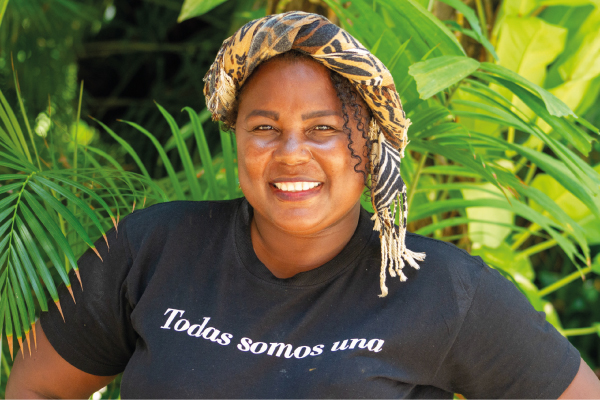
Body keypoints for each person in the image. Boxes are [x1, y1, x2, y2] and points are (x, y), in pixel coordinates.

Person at [7, 11, 600, 399]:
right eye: (265, 128)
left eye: (323, 129)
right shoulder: (150, 250)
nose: (291, 154)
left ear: (370, 145)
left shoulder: (445, 290)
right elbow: (37, 387)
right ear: (237, 138)